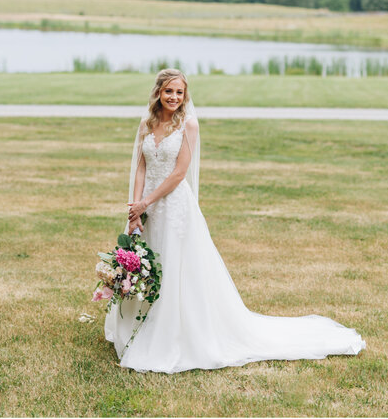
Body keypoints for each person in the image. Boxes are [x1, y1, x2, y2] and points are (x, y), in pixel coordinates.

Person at [104, 68, 365, 373]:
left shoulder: (189, 125)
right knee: (145, 261)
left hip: (173, 207)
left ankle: (175, 333)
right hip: (145, 207)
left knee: (175, 268)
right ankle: (138, 325)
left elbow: (178, 174)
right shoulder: (147, 124)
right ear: (158, 93)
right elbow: (140, 168)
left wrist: (147, 201)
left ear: (185, 95)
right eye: (168, 91)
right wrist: (136, 207)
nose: (174, 97)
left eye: (179, 92)